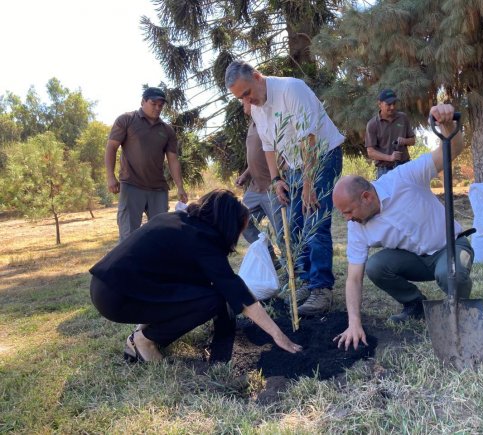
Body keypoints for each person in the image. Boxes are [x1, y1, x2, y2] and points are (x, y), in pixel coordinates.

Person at [89, 189, 302, 362]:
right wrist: (277, 334)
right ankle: (145, 339)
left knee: (201, 289)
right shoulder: (202, 241)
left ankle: (142, 330)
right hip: (118, 297)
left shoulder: (180, 221)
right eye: (239, 230)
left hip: (104, 287)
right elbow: (235, 292)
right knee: (212, 299)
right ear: (228, 225)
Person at [332, 103, 474, 351]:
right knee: (376, 266)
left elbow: (453, 149)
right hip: (417, 260)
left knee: (450, 274)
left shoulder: (404, 178)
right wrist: (354, 322)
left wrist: (447, 124)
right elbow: (354, 278)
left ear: (366, 197)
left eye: (348, 211)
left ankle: (460, 307)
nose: (347, 219)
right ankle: (415, 305)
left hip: (452, 245)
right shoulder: (358, 226)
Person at [225, 60, 344, 316]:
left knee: (314, 220)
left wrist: (309, 184)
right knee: (293, 224)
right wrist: (277, 179)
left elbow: (309, 140)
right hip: (295, 166)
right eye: (240, 98)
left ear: (257, 76)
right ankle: (304, 282)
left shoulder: (292, 89)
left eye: (247, 93)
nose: (247, 102)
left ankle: (321, 289)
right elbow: (269, 147)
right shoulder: (257, 107)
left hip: (322, 156)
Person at [105, 87, 188, 242]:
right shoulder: (126, 120)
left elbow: (173, 159)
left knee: (162, 236)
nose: (157, 108)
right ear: (143, 101)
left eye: (161, 105)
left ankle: (157, 266)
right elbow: (111, 147)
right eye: (153, 103)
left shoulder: (167, 130)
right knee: (129, 237)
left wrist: (180, 186)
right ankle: (129, 266)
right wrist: (110, 176)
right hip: (131, 185)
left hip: (158, 189)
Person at [235, 100, 283, 268]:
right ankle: (270, 257)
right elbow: (256, 156)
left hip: (272, 188)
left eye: (245, 101)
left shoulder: (269, 120)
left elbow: (277, 151)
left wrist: (278, 180)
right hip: (255, 188)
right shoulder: (252, 125)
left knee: (282, 232)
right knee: (239, 219)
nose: (243, 104)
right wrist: (245, 174)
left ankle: (294, 269)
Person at [365, 89, 416, 179]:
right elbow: (371, 152)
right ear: (380, 104)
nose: (392, 107)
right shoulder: (372, 124)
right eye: (388, 104)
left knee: (407, 193)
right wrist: (389, 158)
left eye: (394, 103)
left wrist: (404, 141)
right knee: (387, 194)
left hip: (404, 167)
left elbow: (413, 141)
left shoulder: (403, 118)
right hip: (385, 171)